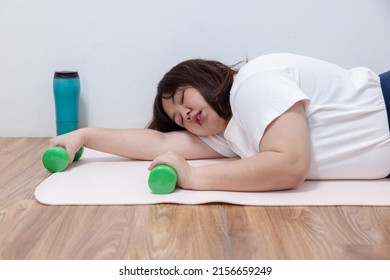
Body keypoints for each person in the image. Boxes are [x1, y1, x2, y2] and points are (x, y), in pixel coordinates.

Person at [49, 53, 390, 192]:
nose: (184, 115)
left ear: (206, 77)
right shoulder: (229, 134)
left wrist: (193, 177)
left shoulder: (253, 84)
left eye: (184, 99)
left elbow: (289, 166)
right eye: (178, 117)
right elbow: (160, 144)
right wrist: (85, 135)